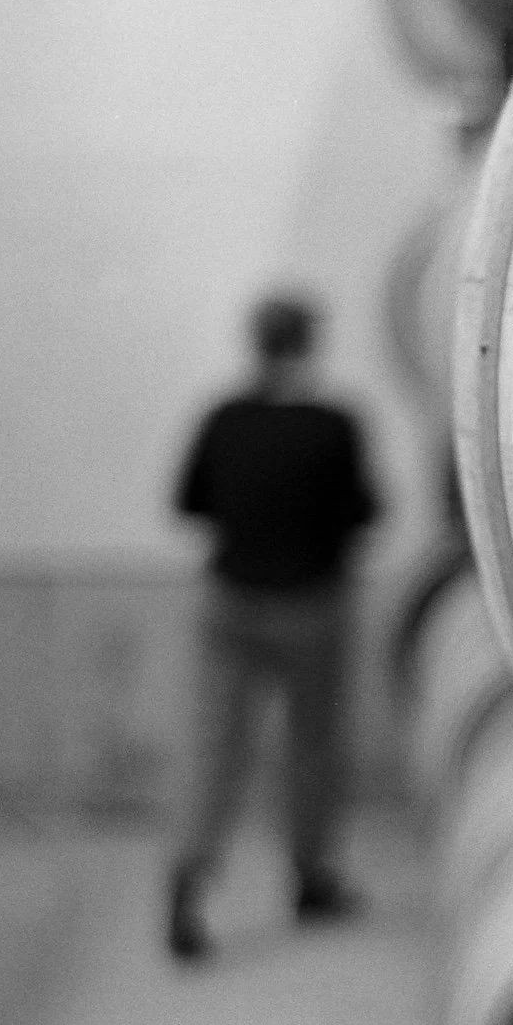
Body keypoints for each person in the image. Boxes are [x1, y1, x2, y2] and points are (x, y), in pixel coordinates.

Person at [167, 294, 379, 962]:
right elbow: (363, 512)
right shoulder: (334, 425)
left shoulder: (224, 417)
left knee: (216, 749)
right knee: (311, 747)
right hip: (312, 604)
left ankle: (190, 882)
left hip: (230, 602)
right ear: (307, 347)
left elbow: (188, 503)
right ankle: (310, 879)